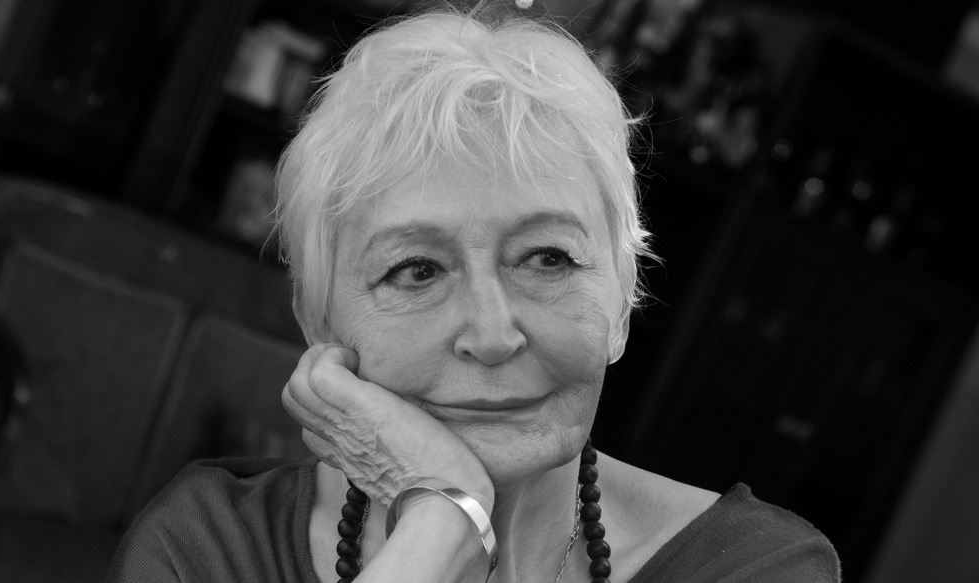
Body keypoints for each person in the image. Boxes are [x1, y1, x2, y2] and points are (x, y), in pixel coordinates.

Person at [107, 3, 841, 582]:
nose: (492, 335)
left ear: (623, 302)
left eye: (547, 258)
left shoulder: (756, 567)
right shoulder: (204, 549)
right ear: (319, 323)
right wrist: (444, 523)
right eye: (417, 270)